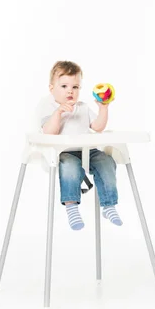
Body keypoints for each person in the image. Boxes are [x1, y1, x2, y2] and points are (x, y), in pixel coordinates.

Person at [36, 60, 122, 230]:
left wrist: (103, 109)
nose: (70, 91)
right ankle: (71, 206)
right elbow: (49, 132)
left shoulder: (82, 107)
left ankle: (109, 205)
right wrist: (58, 112)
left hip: (88, 150)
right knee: (69, 167)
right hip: (65, 152)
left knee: (106, 161)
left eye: (75, 87)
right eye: (64, 86)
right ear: (52, 88)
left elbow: (97, 127)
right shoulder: (49, 107)